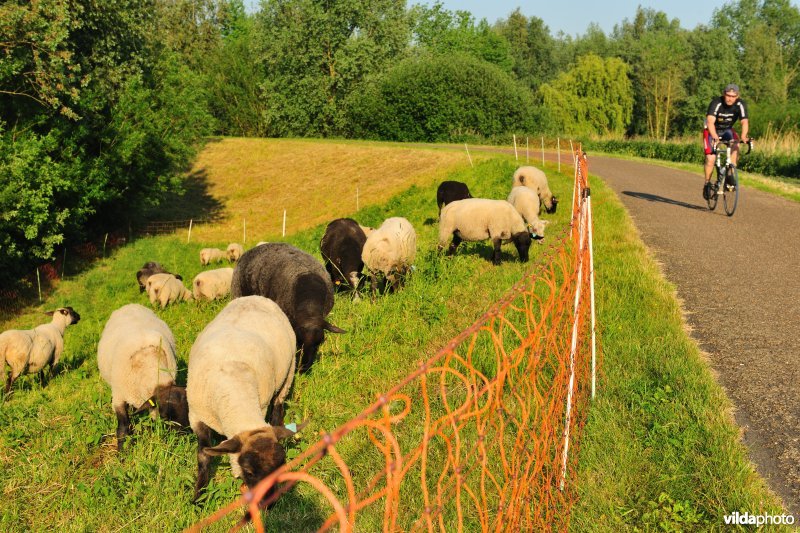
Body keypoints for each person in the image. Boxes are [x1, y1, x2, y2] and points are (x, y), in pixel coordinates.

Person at [703, 83, 750, 199]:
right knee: (710, 159)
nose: (730, 98)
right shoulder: (716, 103)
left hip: (727, 130)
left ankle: (730, 173)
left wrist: (744, 136)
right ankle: (707, 183)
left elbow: (744, 121)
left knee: (736, 144)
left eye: (733, 96)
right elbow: (710, 122)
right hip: (711, 130)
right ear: (724, 94)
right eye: (728, 95)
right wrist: (715, 137)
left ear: (737, 96)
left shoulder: (740, 104)